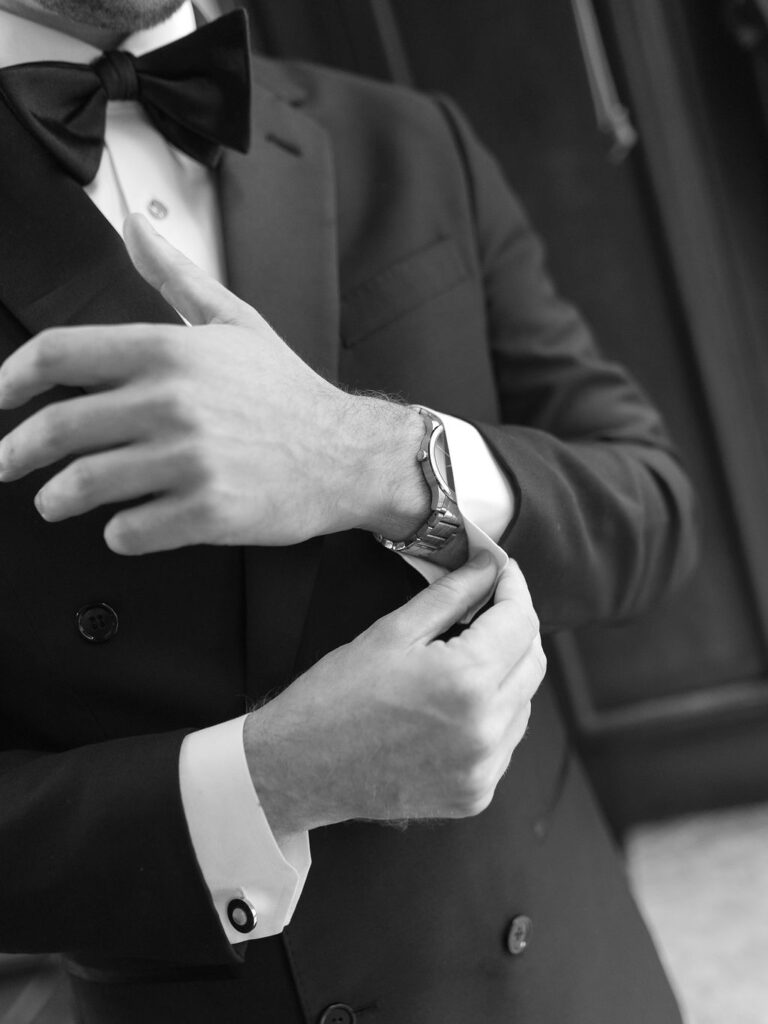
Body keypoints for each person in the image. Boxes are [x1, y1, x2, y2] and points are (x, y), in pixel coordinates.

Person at [0, 2, 697, 1022]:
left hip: (566, 973)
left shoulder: (415, 138)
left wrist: (377, 460)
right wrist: (267, 781)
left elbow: (653, 512)